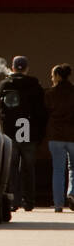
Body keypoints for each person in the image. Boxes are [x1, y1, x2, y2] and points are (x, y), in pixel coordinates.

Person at [0, 55, 47, 211]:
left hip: (10, 131)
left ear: (13, 68)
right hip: (30, 131)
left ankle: (14, 200)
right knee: (29, 168)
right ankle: (29, 201)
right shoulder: (35, 86)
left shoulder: (4, 84)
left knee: (11, 167)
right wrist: (40, 135)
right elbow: (41, 113)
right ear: (27, 68)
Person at [45, 63, 74, 213]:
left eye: (52, 75)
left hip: (55, 135)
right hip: (72, 135)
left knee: (58, 170)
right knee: (73, 168)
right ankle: (72, 194)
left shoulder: (50, 93)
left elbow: (45, 112)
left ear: (57, 76)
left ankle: (58, 204)